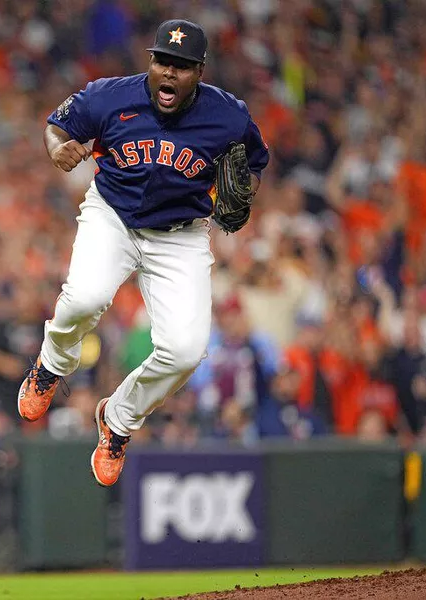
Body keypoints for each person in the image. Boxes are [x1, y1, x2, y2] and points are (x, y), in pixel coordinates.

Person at [17, 19, 269, 486]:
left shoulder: (228, 115)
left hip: (180, 233)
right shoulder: (109, 95)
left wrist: (244, 195)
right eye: (163, 61)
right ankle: (51, 366)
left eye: (182, 66)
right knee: (84, 298)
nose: (170, 73)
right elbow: (57, 124)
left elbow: (253, 164)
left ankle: (118, 419)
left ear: (200, 72)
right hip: (112, 214)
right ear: (150, 61)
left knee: (187, 350)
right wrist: (57, 149)